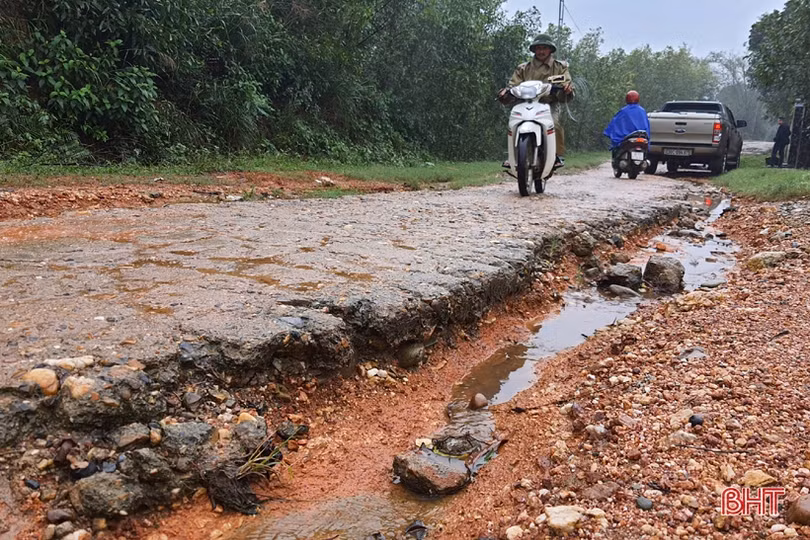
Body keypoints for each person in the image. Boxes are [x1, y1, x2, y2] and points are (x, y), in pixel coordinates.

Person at [499, 34, 574, 168]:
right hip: (525, 103)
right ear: (534, 50)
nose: (541, 51)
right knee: (513, 123)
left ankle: (556, 155)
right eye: (538, 48)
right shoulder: (523, 68)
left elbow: (566, 85)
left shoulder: (560, 67)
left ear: (550, 50)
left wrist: (567, 90)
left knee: (554, 123)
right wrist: (506, 92)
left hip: (549, 103)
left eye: (544, 48)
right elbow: (513, 85)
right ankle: (512, 156)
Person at [603, 90, 651, 158]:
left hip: (626, 138)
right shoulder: (642, 111)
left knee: (617, 149)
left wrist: (609, 131)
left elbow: (615, 123)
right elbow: (647, 126)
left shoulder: (624, 111)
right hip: (641, 136)